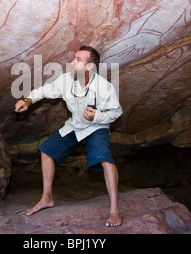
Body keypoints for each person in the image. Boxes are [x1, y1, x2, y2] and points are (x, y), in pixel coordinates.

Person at [14, 45, 123, 227]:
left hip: (97, 126)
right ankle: (47, 197)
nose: (72, 62)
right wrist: (27, 100)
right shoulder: (66, 80)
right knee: (46, 151)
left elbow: (116, 112)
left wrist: (97, 116)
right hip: (75, 125)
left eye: (78, 60)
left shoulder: (105, 87)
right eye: (74, 58)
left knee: (105, 158)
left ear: (89, 67)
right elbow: (44, 91)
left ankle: (114, 210)